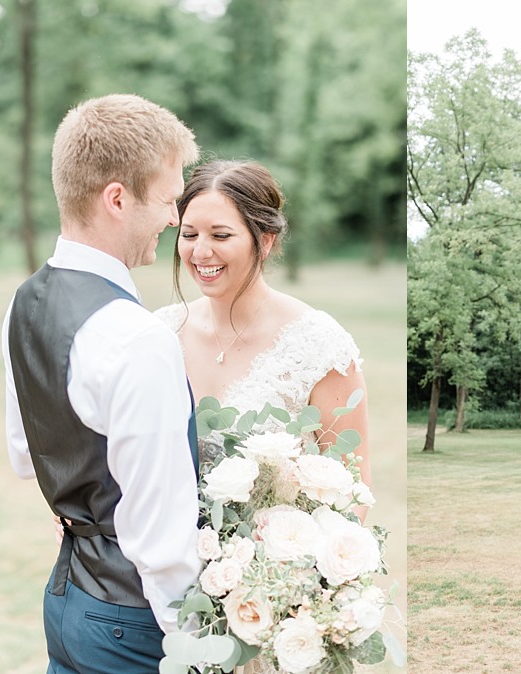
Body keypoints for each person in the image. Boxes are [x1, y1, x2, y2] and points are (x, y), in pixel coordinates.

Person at [2, 94, 202, 673]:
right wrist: (193, 646)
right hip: (135, 624)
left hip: (69, 598)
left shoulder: (24, 302)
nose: (173, 217)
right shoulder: (137, 338)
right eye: (168, 199)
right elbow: (160, 538)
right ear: (117, 198)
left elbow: (24, 454)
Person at [153, 160, 371, 674]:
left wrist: (297, 601)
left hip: (270, 608)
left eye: (220, 235)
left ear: (266, 239)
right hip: (162, 599)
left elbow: (352, 491)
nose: (199, 252)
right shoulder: (160, 334)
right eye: (188, 234)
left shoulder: (319, 346)